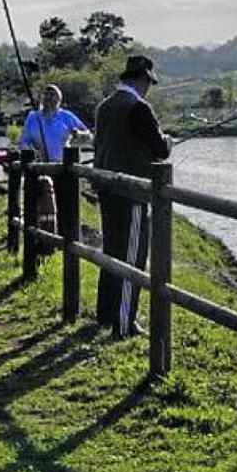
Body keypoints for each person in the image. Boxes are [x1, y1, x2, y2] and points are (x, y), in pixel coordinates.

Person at [94, 55, 172, 339]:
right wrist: (168, 142)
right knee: (132, 257)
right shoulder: (139, 108)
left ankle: (105, 313)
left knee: (112, 250)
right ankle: (124, 323)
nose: (149, 88)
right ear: (141, 80)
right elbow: (159, 150)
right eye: (149, 82)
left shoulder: (105, 106)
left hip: (106, 188)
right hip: (132, 193)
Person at [21, 84, 91, 162]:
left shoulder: (66, 116)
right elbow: (25, 141)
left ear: (58, 99)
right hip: (39, 164)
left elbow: (88, 134)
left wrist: (78, 133)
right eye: (45, 94)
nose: (48, 97)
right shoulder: (33, 116)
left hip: (63, 164)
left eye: (52, 94)